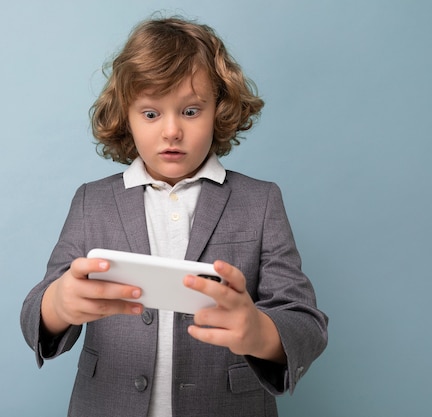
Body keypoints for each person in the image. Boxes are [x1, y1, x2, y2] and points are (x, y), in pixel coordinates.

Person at [21, 15, 328, 417]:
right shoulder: (90, 202)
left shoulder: (261, 201)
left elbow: (304, 321)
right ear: (126, 117)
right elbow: (34, 313)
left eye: (190, 111)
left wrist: (258, 332)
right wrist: (58, 304)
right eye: (151, 114)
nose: (171, 132)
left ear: (218, 110)